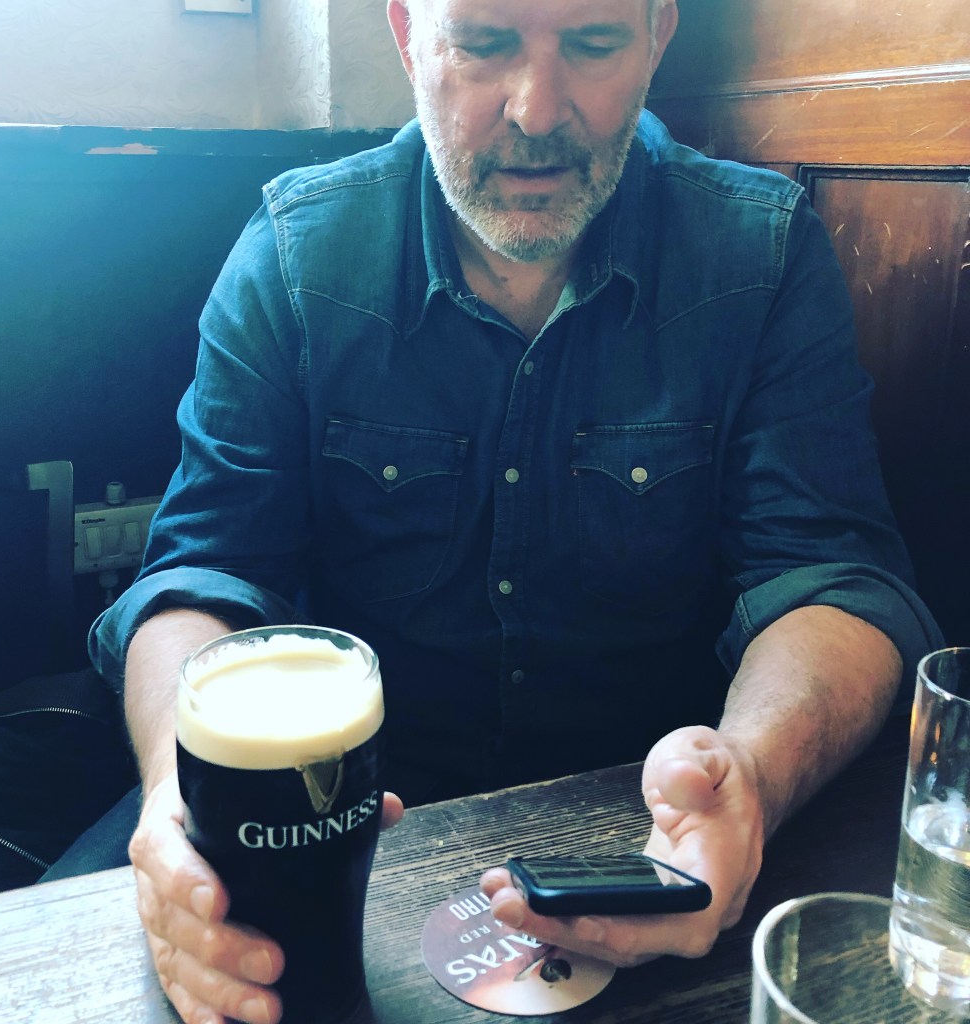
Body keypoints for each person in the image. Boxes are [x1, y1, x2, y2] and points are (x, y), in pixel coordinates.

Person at [80, 0, 943, 1021]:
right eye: (485, 43)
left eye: (592, 43)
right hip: (333, 825)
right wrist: (176, 795)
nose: (536, 110)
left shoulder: (761, 253)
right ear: (409, 35)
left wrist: (749, 771)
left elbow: (834, 580)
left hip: (648, 831)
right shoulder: (296, 254)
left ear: (658, 36)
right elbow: (199, 575)